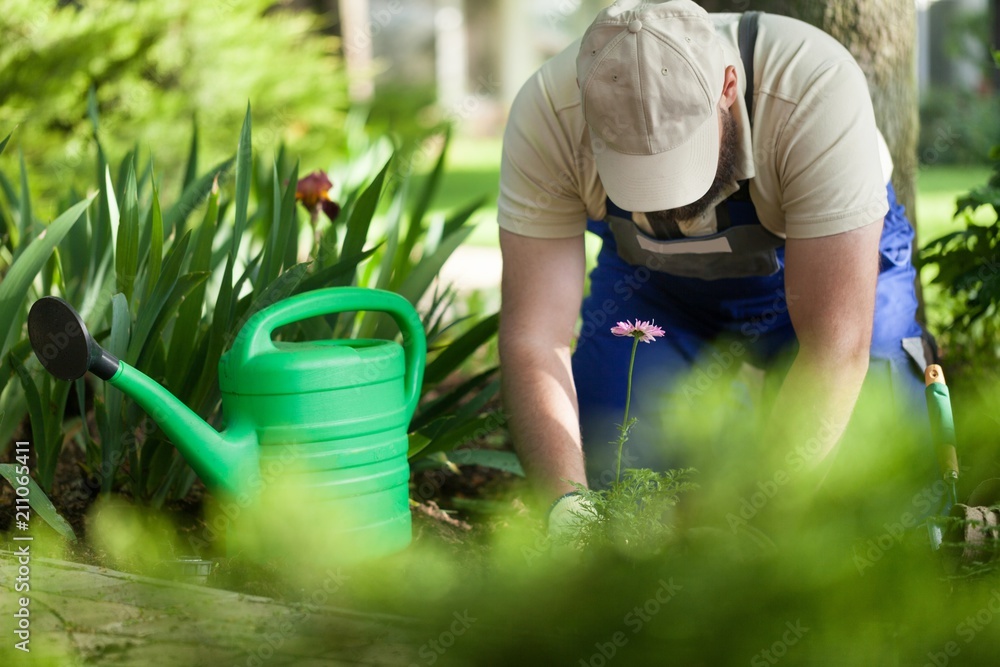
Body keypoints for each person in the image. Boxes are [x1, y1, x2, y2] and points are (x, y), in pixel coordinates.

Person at [496, 0, 932, 534]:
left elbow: (835, 349)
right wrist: (569, 512)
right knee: (615, 467)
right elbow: (536, 336)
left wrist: (755, 536)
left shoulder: (815, 85)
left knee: (877, 497)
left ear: (728, 87)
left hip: (824, 271)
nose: (664, 199)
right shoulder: (546, 111)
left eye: (679, 159)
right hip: (655, 291)